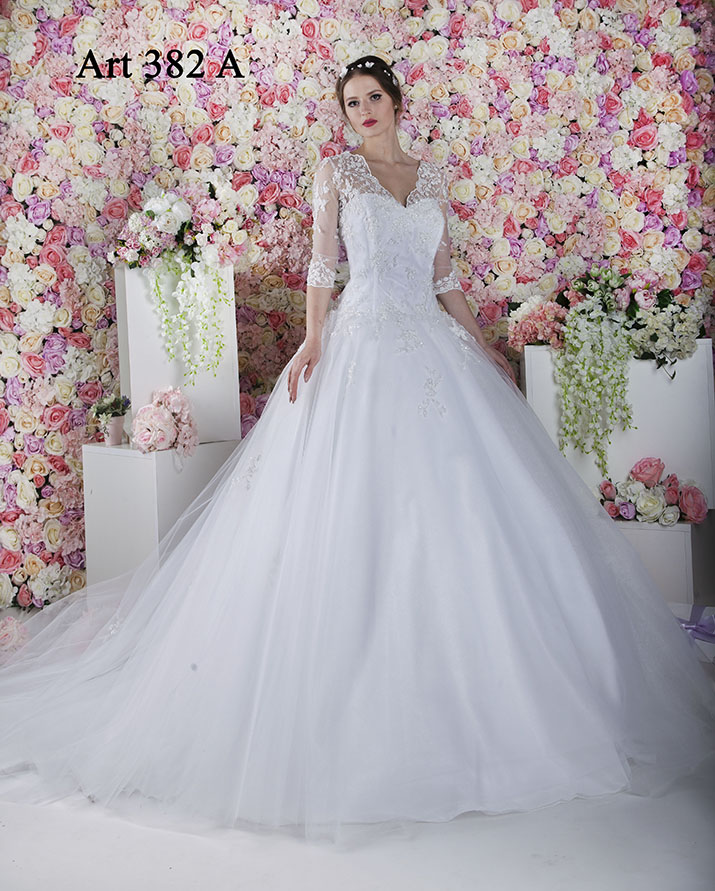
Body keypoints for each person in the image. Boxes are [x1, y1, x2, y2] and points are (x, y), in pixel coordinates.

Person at [0, 55, 714, 850]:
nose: (363, 110)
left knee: (467, 510)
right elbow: (321, 265)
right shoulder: (337, 171)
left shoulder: (428, 176)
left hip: (433, 346)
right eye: (351, 102)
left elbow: (444, 278)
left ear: (396, 102)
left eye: (373, 97)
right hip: (361, 342)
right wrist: (313, 339)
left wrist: (483, 348)